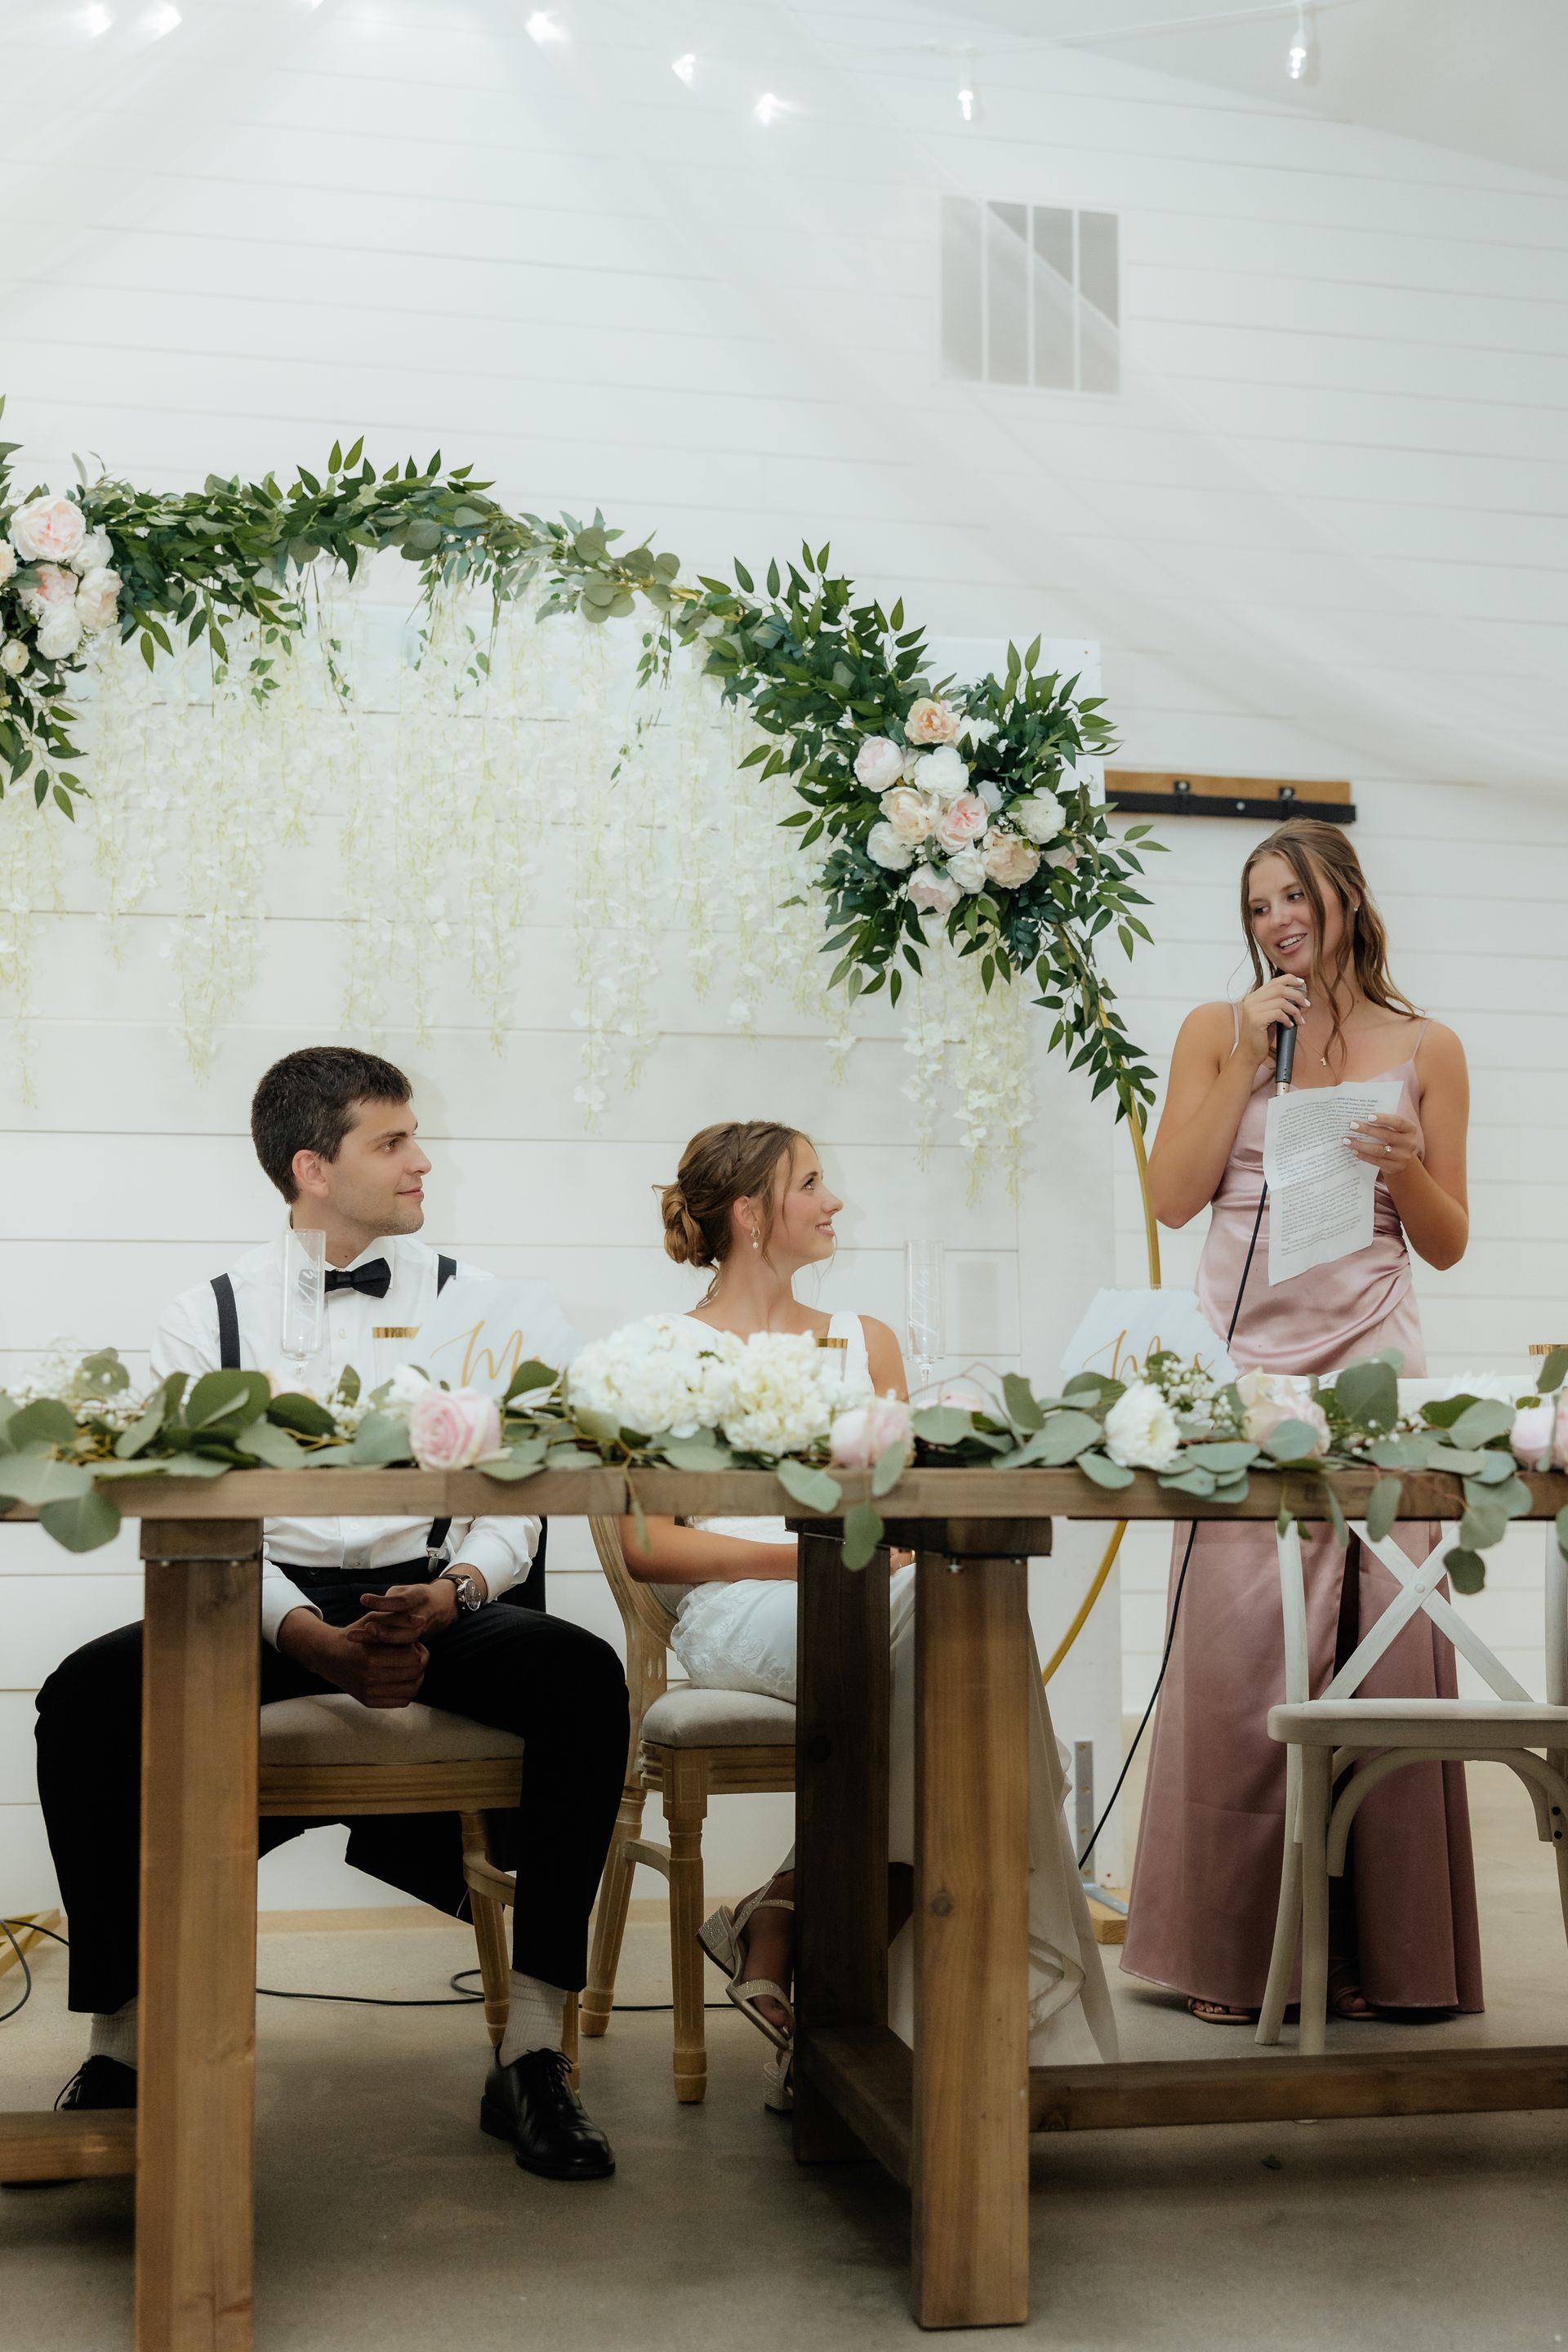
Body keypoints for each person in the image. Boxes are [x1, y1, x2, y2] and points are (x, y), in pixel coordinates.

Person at [34, 1047, 630, 2181]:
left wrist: (453, 1596)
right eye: (392, 1142)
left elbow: (520, 1502)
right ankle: (122, 2044)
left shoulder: (481, 1306)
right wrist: (305, 1635)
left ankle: (536, 2053)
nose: (423, 1160)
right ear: (313, 1167)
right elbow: (197, 1525)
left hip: (435, 1596)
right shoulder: (200, 1318)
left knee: (585, 1679)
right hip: (256, 1612)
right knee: (83, 1700)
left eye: (415, 1137)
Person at [624, 1119, 1116, 2102]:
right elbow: (653, 1545)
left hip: (886, 1598)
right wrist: (802, 1560)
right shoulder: (660, 1351)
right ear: (754, 1215)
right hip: (740, 1610)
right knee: (963, 1643)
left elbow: (908, 1507)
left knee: (956, 1615)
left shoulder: (867, 1341)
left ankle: (795, 1920)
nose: (834, 1200)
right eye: (813, 1183)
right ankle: (902, 2012)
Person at [1122, 818, 1481, 2025]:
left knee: (1385, 1653)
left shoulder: (1427, 1046)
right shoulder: (1217, 1034)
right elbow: (1173, 1200)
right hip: (1248, 1376)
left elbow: (1446, 1238)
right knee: (1240, 1662)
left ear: (1346, 900)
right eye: (1259, 903)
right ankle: (1230, 1955)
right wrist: (1245, 1064)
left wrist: (1404, 1167)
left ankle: (1389, 1959)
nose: (1278, 918)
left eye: (1296, 896)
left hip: (1374, 1368)